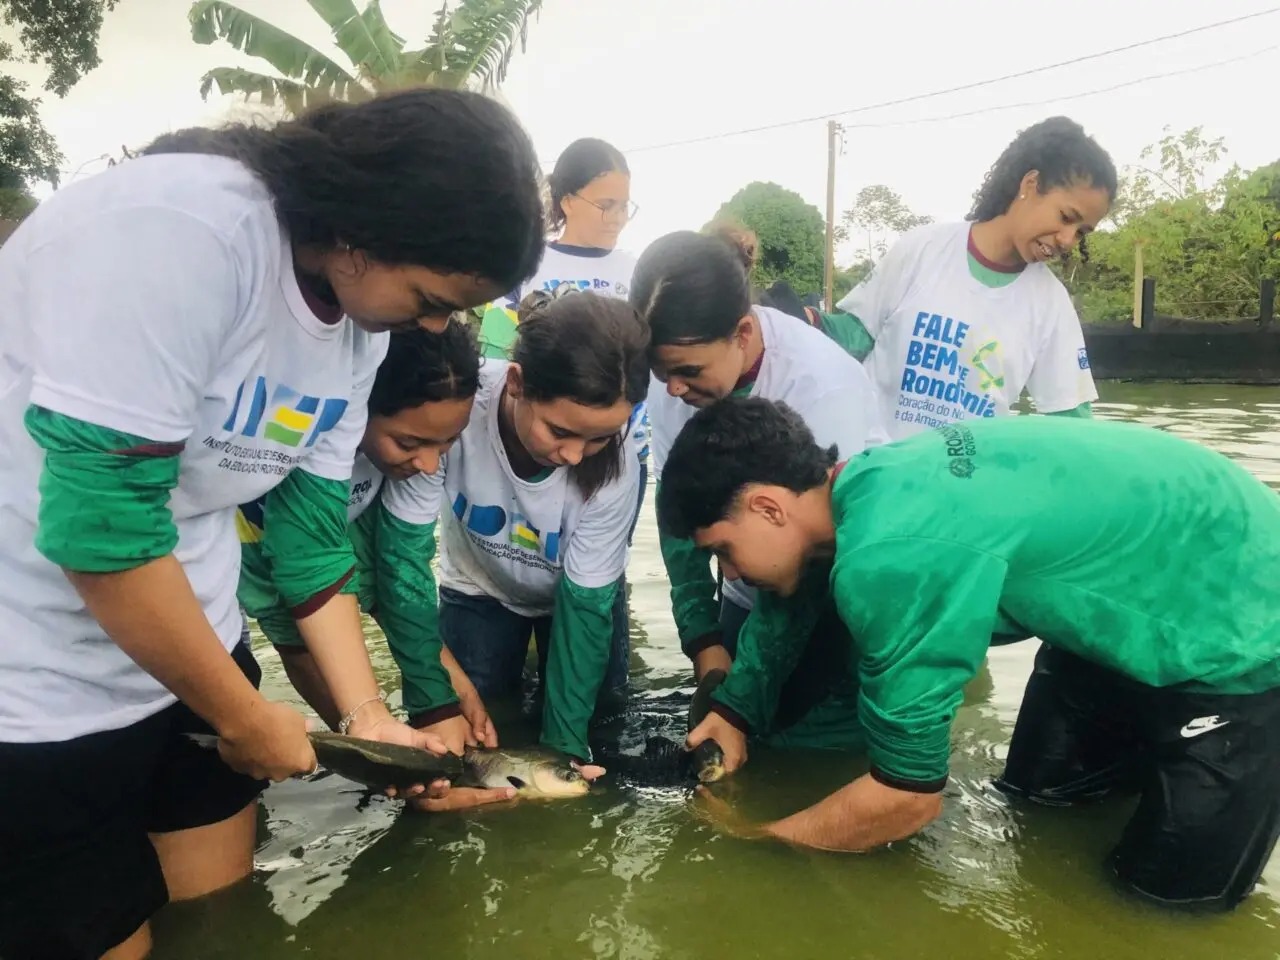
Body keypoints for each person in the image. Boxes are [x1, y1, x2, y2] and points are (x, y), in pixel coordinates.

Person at [0, 87, 544, 960]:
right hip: (30, 686)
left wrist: (367, 716)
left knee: (223, 920)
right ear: (362, 230)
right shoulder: (183, 231)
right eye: (435, 295)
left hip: (192, 646)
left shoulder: (363, 329)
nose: (438, 326)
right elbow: (101, 530)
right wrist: (245, 716)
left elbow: (309, 536)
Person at [668, 396, 1280, 911]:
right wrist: (737, 712)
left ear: (768, 507)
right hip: (1115, 606)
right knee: (1039, 810)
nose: (730, 571)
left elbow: (907, 799)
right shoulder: (866, 482)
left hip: (1241, 622)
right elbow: (798, 595)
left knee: (1164, 906)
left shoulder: (892, 556)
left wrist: (755, 840)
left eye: (722, 549)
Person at [631, 229, 886, 752]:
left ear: (742, 332)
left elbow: (815, 559)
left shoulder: (821, 384)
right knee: (729, 735)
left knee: (813, 744)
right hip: (749, 573)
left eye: (688, 372)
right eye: (662, 374)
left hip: (837, 587)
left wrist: (744, 697)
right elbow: (682, 513)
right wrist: (703, 641)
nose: (674, 389)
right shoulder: (674, 381)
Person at [238, 323, 509, 789]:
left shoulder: (403, 463)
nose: (428, 464)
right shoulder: (316, 444)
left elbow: (399, 578)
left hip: (345, 522)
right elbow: (303, 604)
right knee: (297, 640)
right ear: (360, 403)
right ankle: (372, 763)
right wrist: (369, 732)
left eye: (445, 444)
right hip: (255, 542)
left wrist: (447, 689)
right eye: (409, 443)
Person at [439, 290, 648, 764]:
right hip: (478, 589)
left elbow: (585, 605)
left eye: (599, 438)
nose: (575, 456)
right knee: (473, 728)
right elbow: (400, 561)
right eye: (560, 431)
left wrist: (564, 753)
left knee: (601, 724)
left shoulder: (620, 469)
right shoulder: (458, 407)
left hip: (577, 596)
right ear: (517, 382)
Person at [478, 136, 644, 691]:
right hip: (530, 441)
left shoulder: (636, 272)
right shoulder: (529, 263)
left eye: (626, 206)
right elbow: (495, 353)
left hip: (611, 458)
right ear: (567, 199)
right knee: (516, 546)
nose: (618, 218)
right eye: (607, 205)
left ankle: (585, 695)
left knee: (594, 579)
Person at [836, 116, 1116, 439]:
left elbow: (1072, 425)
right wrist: (798, 324)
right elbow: (850, 338)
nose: (1068, 240)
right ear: (1030, 185)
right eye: (1066, 217)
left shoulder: (1051, 305)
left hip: (962, 482)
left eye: (1081, 232)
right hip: (872, 472)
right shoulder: (922, 250)